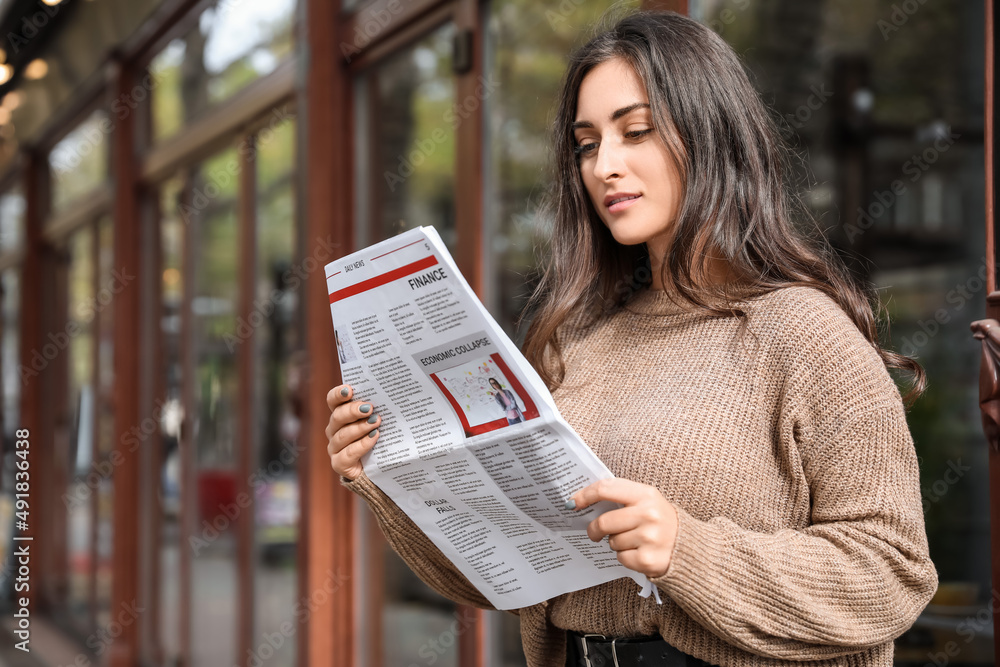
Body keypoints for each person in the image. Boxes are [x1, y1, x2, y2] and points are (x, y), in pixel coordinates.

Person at [326, 10, 937, 667]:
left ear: (709, 134)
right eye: (587, 144)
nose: (604, 166)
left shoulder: (800, 330)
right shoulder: (579, 339)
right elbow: (504, 579)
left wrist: (687, 548)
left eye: (636, 131)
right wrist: (385, 478)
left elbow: (893, 573)